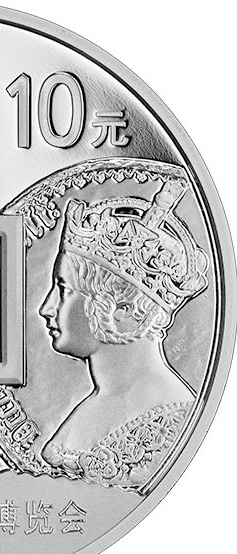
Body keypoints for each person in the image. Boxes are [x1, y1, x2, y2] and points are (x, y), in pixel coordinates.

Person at [39, 180, 208, 491]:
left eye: (64, 290)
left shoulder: (174, 423)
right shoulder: (93, 407)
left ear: (121, 309)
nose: (46, 308)